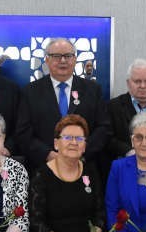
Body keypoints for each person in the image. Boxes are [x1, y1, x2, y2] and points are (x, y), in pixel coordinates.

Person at [16, 38, 110, 171]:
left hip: (84, 165)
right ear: (47, 60)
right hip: (44, 167)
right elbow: (23, 132)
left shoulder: (93, 90)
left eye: (68, 56)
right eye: (56, 56)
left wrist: (80, 151)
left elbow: (103, 128)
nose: (63, 61)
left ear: (75, 59)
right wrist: (48, 155)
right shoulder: (30, 92)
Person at [28, 114, 106, 232]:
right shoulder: (41, 176)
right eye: (68, 137)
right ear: (56, 143)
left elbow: (100, 212)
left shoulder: (91, 171)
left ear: (85, 146)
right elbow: (37, 223)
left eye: (79, 139)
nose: (73, 143)